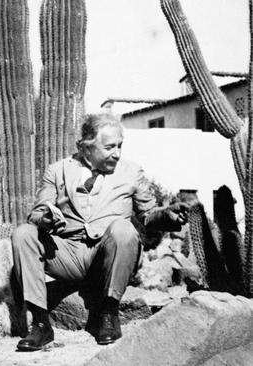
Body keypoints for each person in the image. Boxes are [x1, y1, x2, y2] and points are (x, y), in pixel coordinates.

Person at [12, 113, 188, 351]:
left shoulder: (131, 172)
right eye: (109, 147)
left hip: (108, 254)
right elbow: (37, 212)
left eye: (119, 146)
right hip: (69, 255)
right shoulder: (58, 170)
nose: (116, 153)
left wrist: (167, 215)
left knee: (123, 228)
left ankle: (109, 312)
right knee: (24, 234)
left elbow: (148, 214)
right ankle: (41, 323)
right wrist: (46, 219)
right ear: (87, 147)